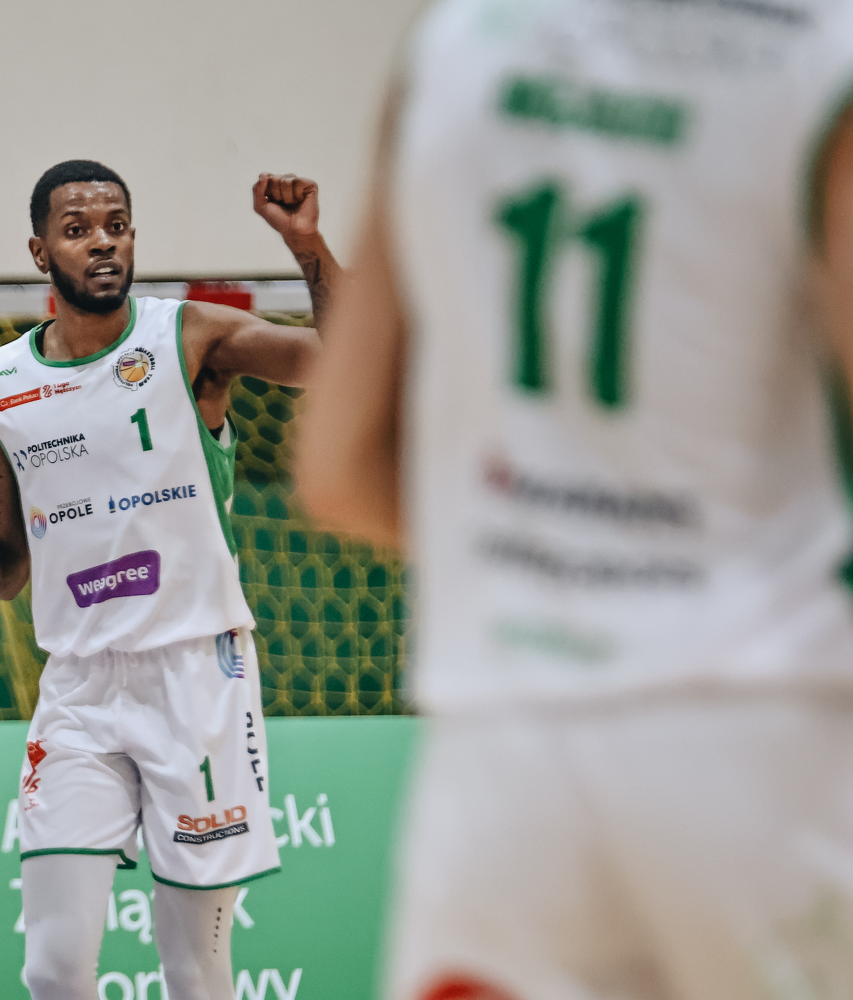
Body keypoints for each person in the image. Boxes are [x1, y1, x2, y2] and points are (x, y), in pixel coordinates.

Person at [296, 1, 853, 997]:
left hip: (504, 761)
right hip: (760, 732)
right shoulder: (818, 54)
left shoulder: (451, 43)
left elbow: (335, 466)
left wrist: (545, 567)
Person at [0, 160, 340, 1000]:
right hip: (78, 691)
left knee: (194, 972)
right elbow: (3, 568)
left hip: (196, 675)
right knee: (53, 968)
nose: (102, 242)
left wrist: (308, 246)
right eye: (77, 230)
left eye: (116, 225)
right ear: (40, 252)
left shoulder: (191, 338)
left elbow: (348, 360)